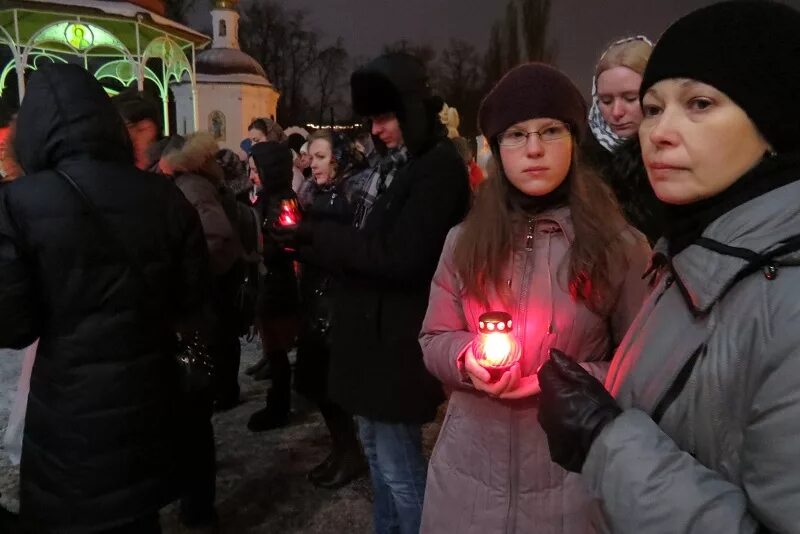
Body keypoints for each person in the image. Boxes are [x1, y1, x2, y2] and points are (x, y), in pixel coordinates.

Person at [537, 3, 800, 533]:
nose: (657, 132)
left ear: (777, 118)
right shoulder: (693, 254)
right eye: (654, 108)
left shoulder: (786, 306)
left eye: (699, 103)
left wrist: (606, 442)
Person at [418, 63, 651, 534]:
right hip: (468, 484)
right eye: (516, 135)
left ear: (574, 140)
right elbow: (433, 338)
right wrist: (467, 361)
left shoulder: (619, 246)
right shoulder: (463, 241)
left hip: (571, 485)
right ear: (497, 149)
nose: (534, 149)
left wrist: (563, 378)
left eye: (550, 131)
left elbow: (644, 367)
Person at [0, 63, 210, 534]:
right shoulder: (163, 194)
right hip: (150, 403)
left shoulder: (19, 203)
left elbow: (12, 325)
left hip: (70, 419)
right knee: (139, 517)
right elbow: (192, 295)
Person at [273, 52, 470, 534]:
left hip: (396, 344)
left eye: (384, 118)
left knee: (401, 473)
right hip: (368, 340)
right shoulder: (395, 166)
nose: (376, 130)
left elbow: (399, 257)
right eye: (372, 119)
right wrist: (304, 240)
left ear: (410, 110)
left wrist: (315, 238)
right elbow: (361, 242)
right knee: (381, 466)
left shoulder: (437, 168)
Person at [293, 129, 371, 489]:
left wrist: (303, 246)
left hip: (339, 306)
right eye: (310, 156)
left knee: (333, 385)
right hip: (315, 302)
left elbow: (347, 253)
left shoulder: (354, 198)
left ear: (340, 159)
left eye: (321, 156)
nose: (312, 164)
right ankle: (343, 448)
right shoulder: (315, 196)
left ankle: (351, 452)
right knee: (315, 383)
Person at [585, 36, 662, 243]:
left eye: (630, 98)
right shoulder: (580, 160)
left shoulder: (679, 154)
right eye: (606, 100)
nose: (616, 112)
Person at [246, 141, 300, 431]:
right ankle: (277, 401)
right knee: (273, 347)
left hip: (280, 285)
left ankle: (280, 405)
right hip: (269, 282)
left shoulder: (284, 201)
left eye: (256, 170)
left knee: (278, 348)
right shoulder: (266, 198)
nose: (253, 176)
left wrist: (264, 249)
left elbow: (288, 243)